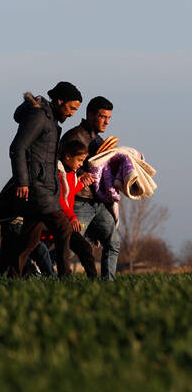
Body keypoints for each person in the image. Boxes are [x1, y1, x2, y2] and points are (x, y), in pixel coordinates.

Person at [4, 82, 82, 278]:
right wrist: (22, 182)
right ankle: (65, 279)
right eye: (71, 108)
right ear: (59, 101)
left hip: (44, 187)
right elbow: (18, 147)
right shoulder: (39, 117)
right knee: (64, 228)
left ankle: (12, 276)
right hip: (36, 188)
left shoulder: (51, 120)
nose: (72, 113)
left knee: (29, 240)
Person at [60, 96, 120, 280]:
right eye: (102, 117)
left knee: (113, 242)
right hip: (79, 202)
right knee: (70, 247)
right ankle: (41, 273)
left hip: (98, 203)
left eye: (109, 118)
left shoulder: (100, 140)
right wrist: (79, 175)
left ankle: (108, 283)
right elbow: (61, 165)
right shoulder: (73, 136)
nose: (107, 121)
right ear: (90, 114)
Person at [57, 140, 97, 278]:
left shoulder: (72, 173)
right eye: (79, 160)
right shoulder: (58, 173)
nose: (81, 164)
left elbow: (71, 191)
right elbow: (60, 199)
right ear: (68, 156)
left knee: (84, 248)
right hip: (57, 219)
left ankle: (94, 280)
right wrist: (72, 217)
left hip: (65, 219)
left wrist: (81, 183)